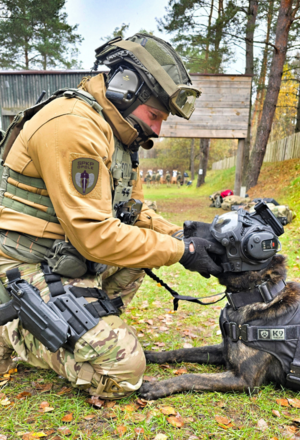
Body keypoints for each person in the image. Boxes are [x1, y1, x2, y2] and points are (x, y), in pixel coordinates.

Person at [0, 33, 222, 400]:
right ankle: (14, 327)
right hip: (23, 267)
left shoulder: (118, 136)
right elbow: (96, 235)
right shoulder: (73, 125)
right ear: (126, 89)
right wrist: (181, 252)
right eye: (155, 115)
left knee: (142, 257)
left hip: (64, 261)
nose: (157, 129)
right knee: (124, 372)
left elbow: (134, 214)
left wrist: (186, 238)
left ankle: (82, 323)